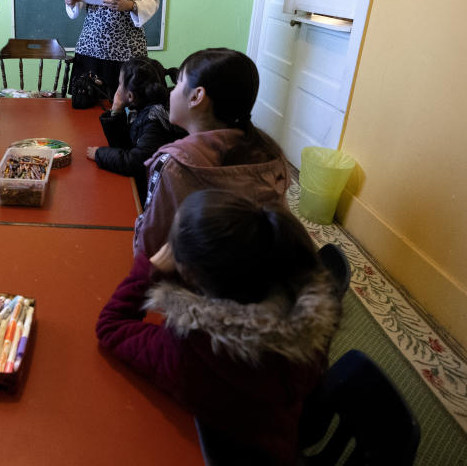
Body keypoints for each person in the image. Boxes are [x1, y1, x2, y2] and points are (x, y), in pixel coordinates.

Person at [97, 189, 342, 464]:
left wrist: (150, 267)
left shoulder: (192, 349)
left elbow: (111, 327)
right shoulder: (306, 328)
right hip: (282, 445)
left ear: (188, 272)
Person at [133, 48, 289, 258]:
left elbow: (148, 247)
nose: (171, 91)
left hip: (195, 284)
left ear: (197, 96)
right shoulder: (270, 153)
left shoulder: (174, 164)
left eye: (178, 83)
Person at [86, 57, 185, 201]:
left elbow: (136, 163)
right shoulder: (143, 109)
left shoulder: (155, 119)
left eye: (120, 84)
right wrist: (115, 112)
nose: (118, 87)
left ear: (131, 95)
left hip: (157, 195)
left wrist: (99, 154)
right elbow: (124, 146)